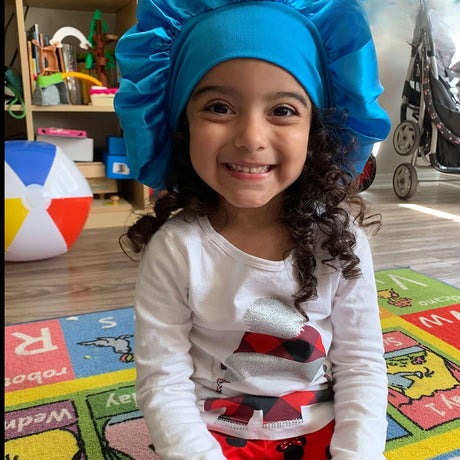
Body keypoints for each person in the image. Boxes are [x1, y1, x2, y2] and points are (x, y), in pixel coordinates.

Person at [114, 0, 391, 459]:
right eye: (219, 107)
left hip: (321, 429)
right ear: (182, 123)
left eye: (282, 110)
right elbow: (163, 380)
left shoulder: (339, 242)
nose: (251, 138)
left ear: (316, 131)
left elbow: (361, 364)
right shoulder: (176, 250)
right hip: (210, 433)